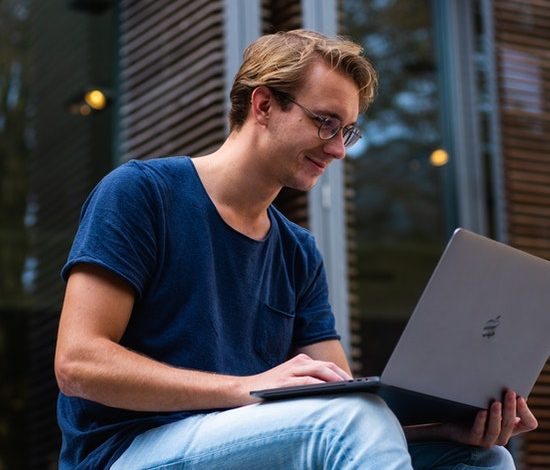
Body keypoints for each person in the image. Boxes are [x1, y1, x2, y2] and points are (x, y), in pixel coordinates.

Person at [54, 29, 537, 469]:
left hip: (246, 443)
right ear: (263, 106)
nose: (339, 149)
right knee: (348, 421)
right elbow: (78, 364)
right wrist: (244, 389)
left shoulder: (297, 251)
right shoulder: (142, 193)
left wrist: (443, 427)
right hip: (126, 452)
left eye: (347, 131)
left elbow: (346, 401)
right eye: (327, 123)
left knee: (483, 459)